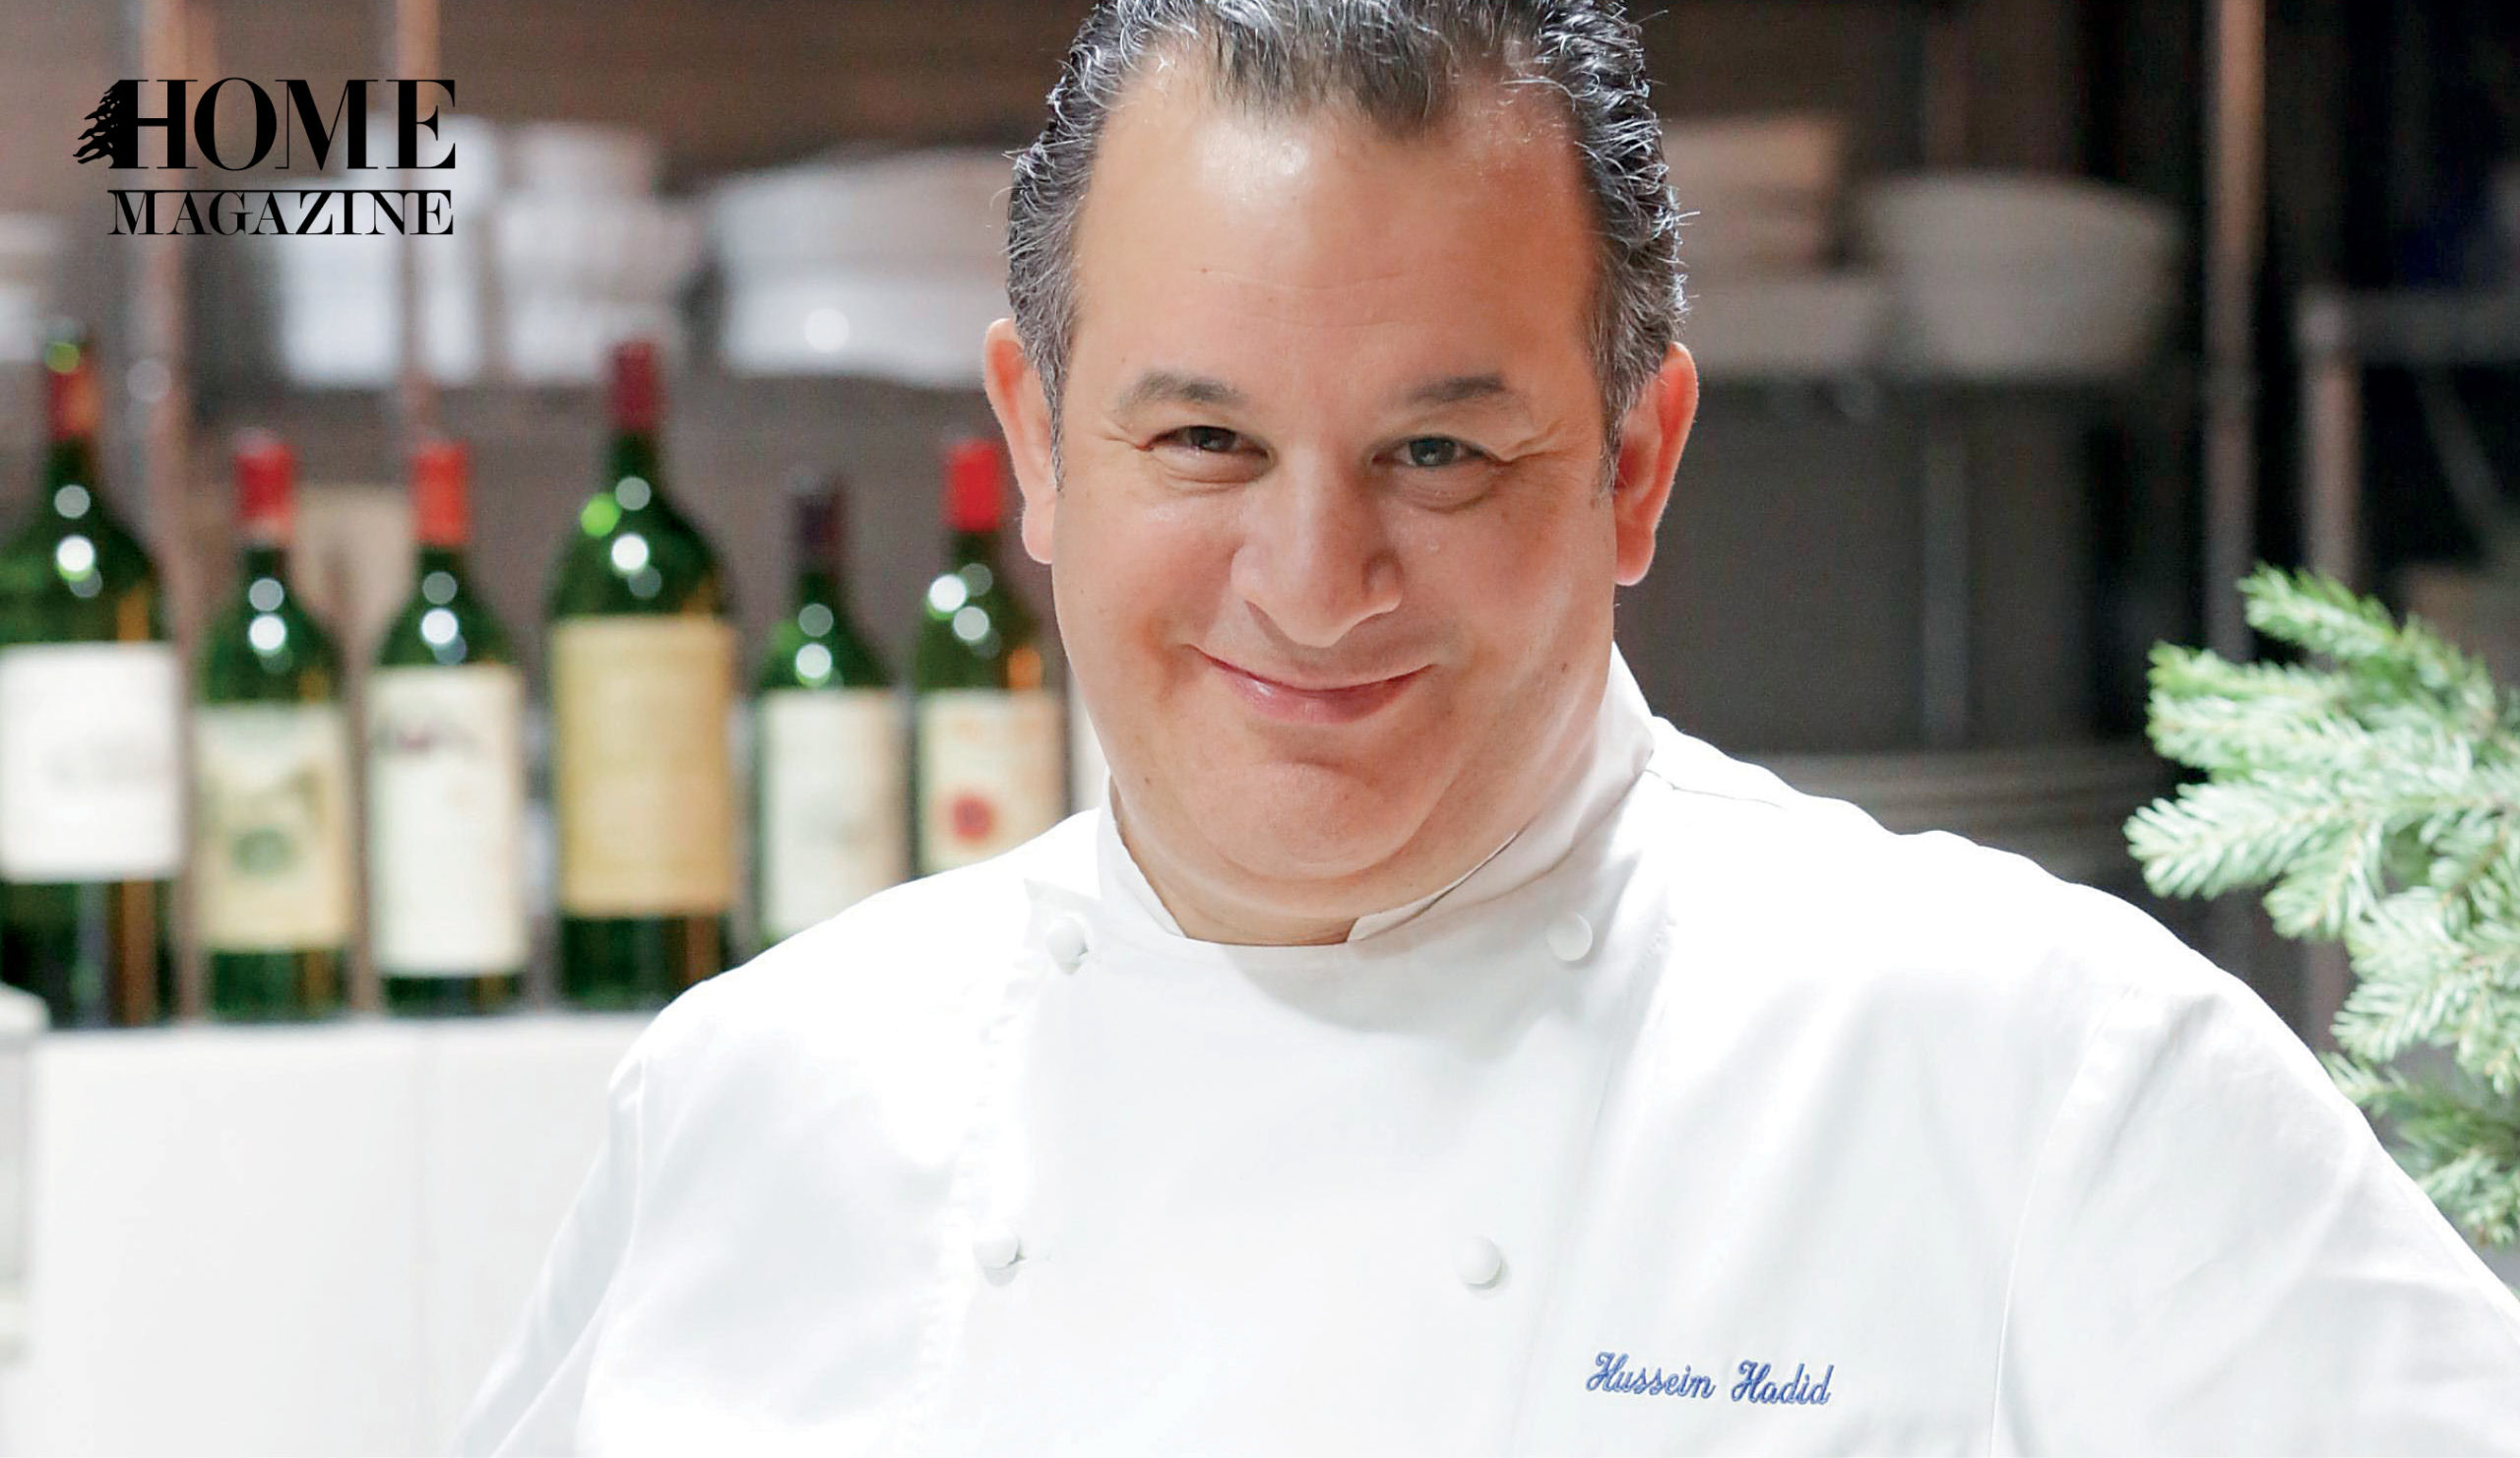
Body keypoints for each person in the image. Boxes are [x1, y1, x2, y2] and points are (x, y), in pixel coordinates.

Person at [457, 1, 2520, 1451]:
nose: (1311, 578)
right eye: (1202, 440)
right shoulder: (749, 1109)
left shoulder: (2032, 1077)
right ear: (1037, 449)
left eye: (1436, 452)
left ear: (1636, 465)